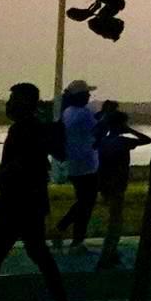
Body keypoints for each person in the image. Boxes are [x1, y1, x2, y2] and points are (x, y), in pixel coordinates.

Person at [0, 85, 76, 301]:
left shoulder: (24, 130)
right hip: (31, 201)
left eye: (13, 99)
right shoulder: (31, 128)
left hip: (17, 201)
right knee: (35, 251)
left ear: (26, 102)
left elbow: (16, 166)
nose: (9, 103)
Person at [88, 98, 144, 268]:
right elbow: (146, 140)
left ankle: (110, 253)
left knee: (114, 218)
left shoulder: (103, 143)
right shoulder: (122, 141)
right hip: (117, 183)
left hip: (104, 181)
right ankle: (107, 254)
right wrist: (129, 130)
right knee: (116, 220)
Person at [54, 83, 104, 244]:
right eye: (87, 94)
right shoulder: (85, 114)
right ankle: (70, 233)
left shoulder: (67, 113)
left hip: (74, 165)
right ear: (80, 96)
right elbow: (98, 132)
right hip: (87, 165)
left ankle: (69, 233)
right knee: (86, 204)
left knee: (83, 202)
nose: (89, 97)